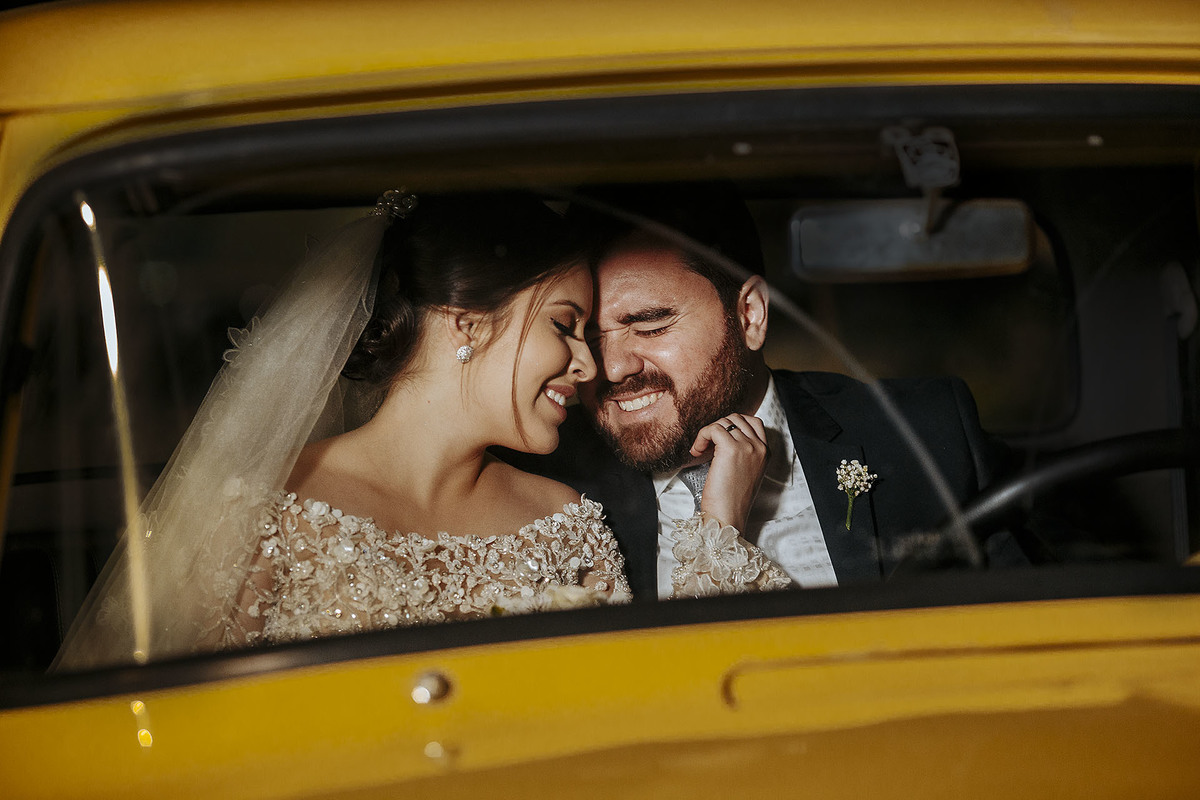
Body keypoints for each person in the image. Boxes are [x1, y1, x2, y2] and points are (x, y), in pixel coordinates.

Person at [53, 189, 630, 671]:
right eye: (564, 325)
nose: (590, 366)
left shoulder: (567, 525)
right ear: (468, 322)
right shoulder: (268, 511)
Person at [503, 183, 1027, 600]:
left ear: (750, 314)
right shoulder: (546, 492)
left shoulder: (921, 431)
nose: (612, 368)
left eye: (651, 326)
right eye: (589, 336)